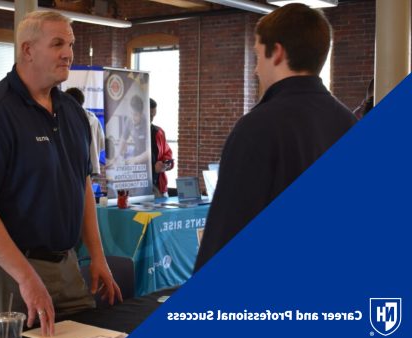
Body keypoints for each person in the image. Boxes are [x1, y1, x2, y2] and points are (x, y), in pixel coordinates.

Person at [0, 11, 121, 338]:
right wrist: (26, 278)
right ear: (27, 50)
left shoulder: (73, 114)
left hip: (65, 265)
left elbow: (81, 184)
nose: (68, 53)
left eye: (70, 44)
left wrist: (97, 256)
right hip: (2, 270)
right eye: (57, 43)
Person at [194, 4, 358, 273]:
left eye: (258, 55)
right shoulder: (349, 122)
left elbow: (226, 234)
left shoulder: (257, 128)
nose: (256, 68)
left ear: (278, 53)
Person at [65, 87, 105, 176]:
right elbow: (102, 145)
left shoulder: (67, 119)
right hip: (93, 167)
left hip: (75, 168)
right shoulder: (94, 119)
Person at [115, 95, 150, 166]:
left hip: (147, 159)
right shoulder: (129, 120)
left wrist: (135, 160)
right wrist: (118, 156)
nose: (133, 118)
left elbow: (149, 152)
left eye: (136, 115)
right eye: (131, 113)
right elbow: (123, 139)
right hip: (136, 154)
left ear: (141, 114)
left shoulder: (147, 125)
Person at [150, 98, 174, 198]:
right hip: (140, 189)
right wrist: (152, 168)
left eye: (153, 116)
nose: (152, 119)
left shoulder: (159, 132)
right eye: (150, 115)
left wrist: (167, 164)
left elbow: (167, 152)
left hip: (159, 186)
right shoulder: (131, 133)